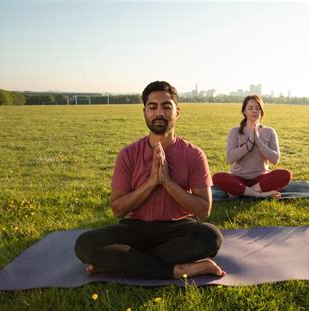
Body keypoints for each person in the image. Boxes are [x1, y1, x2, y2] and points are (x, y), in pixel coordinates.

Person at [74, 81, 225, 279]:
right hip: (135, 229)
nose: (159, 112)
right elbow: (118, 209)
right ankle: (179, 269)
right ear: (144, 112)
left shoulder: (194, 154)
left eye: (166, 106)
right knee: (85, 244)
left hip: (178, 229)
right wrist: (151, 183)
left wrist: (168, 182)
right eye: (152, 107)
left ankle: (120, 263)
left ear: (177, 112)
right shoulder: (128, 154)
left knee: (211, 237)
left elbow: (204, 210)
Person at [212, 95, 292, 199]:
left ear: (261, 111)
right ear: (244, 111)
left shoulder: (270, 132)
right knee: (217, 177)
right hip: (238, 177)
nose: (254, 111)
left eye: (257, 108)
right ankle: (259, 194)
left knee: (286, 175)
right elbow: (229, 159)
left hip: (261, 178)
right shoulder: (235, 131)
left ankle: (242, 191)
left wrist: (258, 142)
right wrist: (249, 144)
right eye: (250, 108)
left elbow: (275, 159)